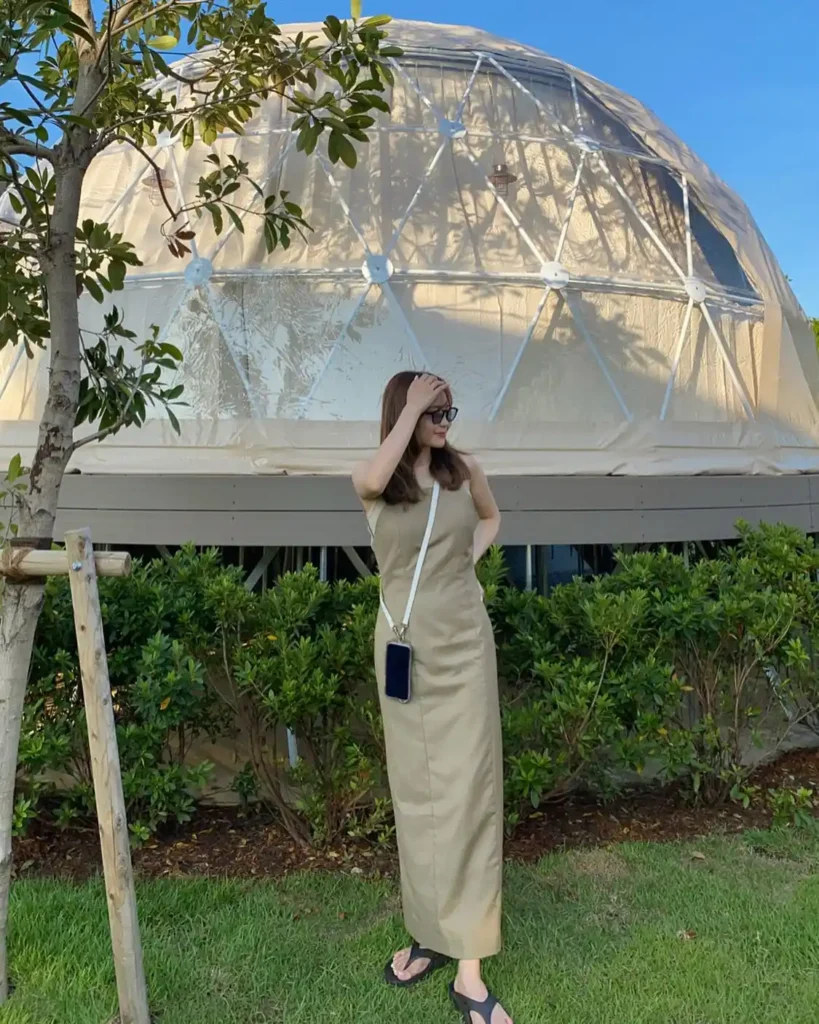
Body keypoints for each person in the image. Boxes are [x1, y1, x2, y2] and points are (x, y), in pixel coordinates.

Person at [352, 372, 512, 1024]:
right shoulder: (376, 482)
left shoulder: (463, 469)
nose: (445, 418)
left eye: (449, 408)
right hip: (404, 654)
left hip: (464, 648)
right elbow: (369, 479)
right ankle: (427, 930)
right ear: (405, 410)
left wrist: (461, 564)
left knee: (469, 795)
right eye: (433, 409)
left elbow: (491, 517)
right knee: (417, 797)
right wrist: (412, 407)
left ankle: (469, 969)